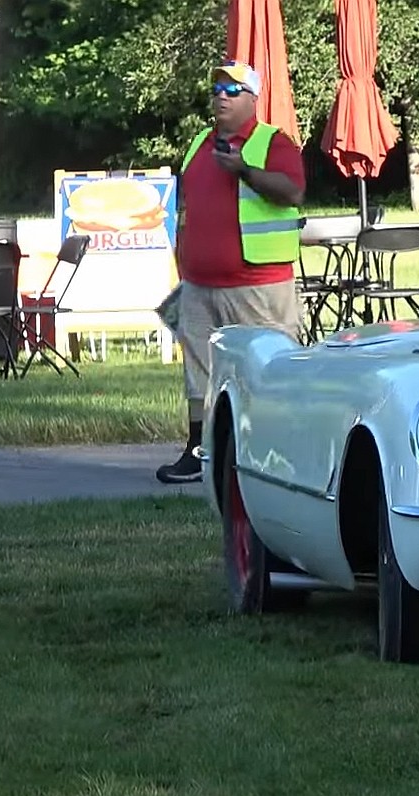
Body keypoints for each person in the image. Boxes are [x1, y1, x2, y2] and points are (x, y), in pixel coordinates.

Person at [156, 60, 307, 484]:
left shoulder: (272, 143)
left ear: (253, 99)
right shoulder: (200, 143)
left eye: (232, 89)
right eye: (217, 88)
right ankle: (199, 450)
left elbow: (293, 192)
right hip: (200, 285)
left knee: (267, 370)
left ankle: (276, 458)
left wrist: (244, 169)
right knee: (199, 373)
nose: (221, 95)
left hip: (258, 286)